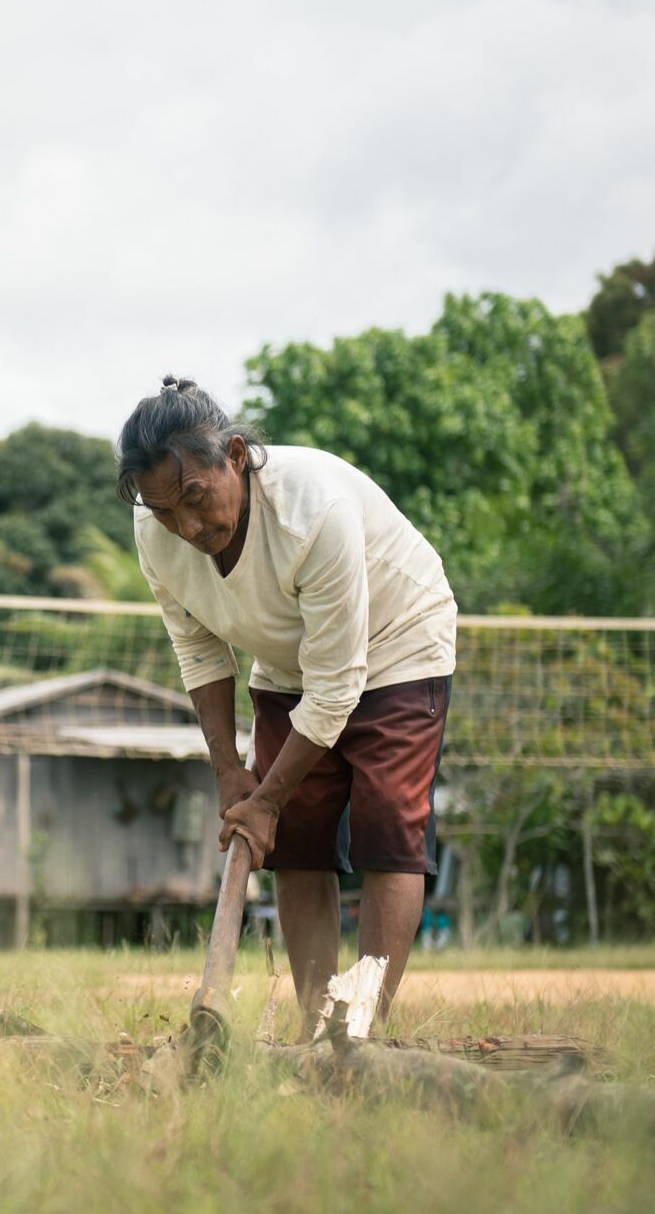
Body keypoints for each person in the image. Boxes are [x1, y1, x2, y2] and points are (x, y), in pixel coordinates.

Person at [118, 375, 456, 1026]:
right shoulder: (156, 531)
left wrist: (266, 797)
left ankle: (359, 1031)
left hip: (399, 642)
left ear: (237, 457)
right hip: (287, 662)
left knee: (388, 827)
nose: (185, 526)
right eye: (164, 510)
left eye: (194, 497)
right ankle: (314, 1026)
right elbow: (199, 649)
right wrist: (230, 774)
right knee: (295, 841)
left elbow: (337, 686)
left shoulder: (313, 511)